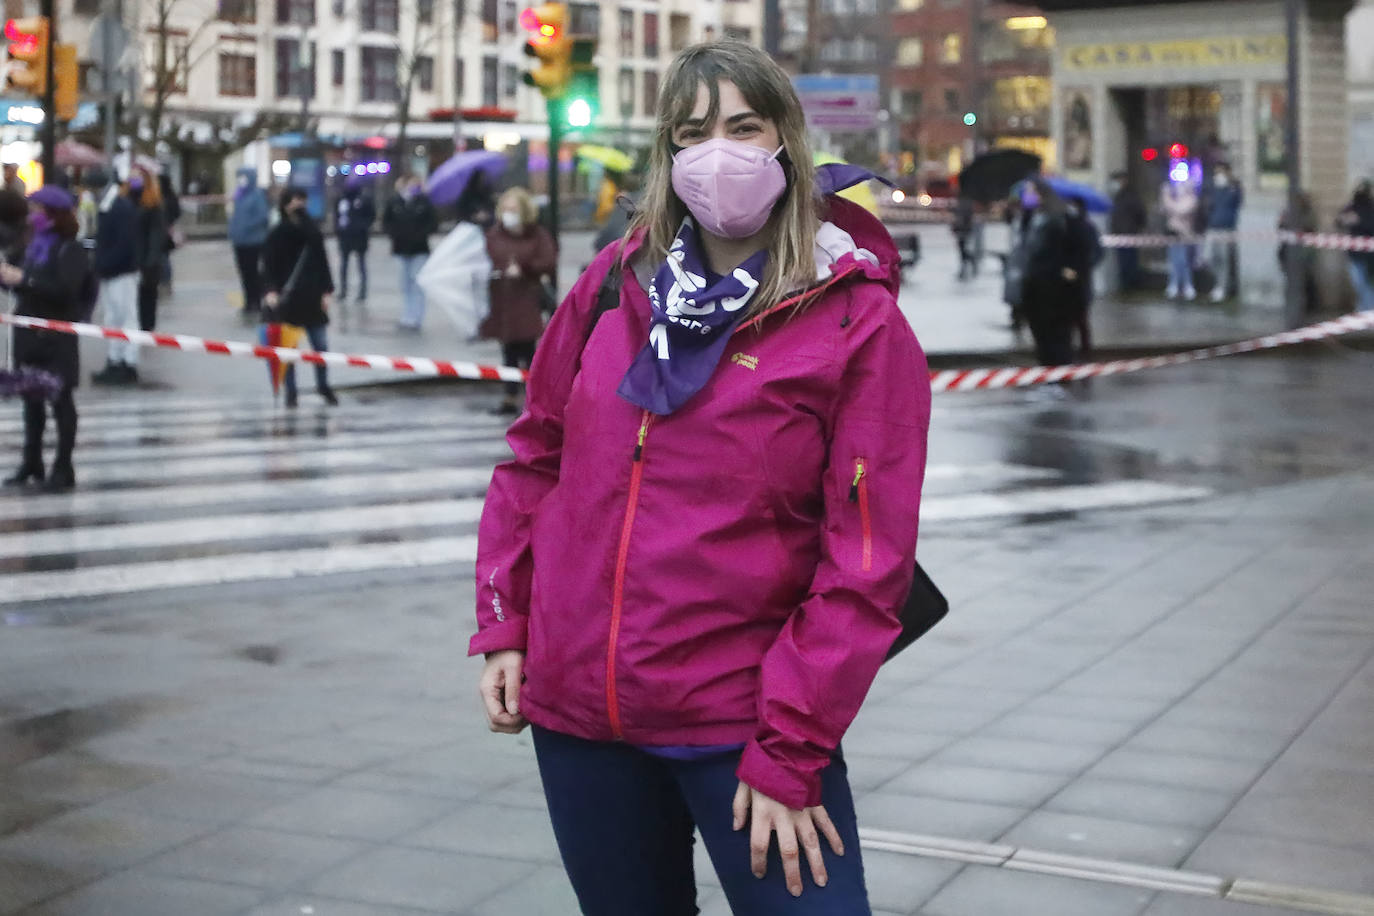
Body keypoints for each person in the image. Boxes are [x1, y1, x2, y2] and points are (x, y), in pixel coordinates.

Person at [471, 40, 930, 914]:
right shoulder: (613, 285)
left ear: (787, 142)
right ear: (668, 157)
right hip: (582, 720)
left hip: (744, 727)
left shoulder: (855, 320)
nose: (718, 153)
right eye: (694, 133)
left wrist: (790, 748)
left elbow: (867, 561)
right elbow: (536, 455)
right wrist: (504, 621)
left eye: (744, 127)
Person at [1, 186, 94, 492]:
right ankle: (32, 461)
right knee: (32, 401)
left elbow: (64, 292)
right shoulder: (32, 246)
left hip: (57, 337)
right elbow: (26, 286)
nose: (32, 216)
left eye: (37, 211)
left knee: (61, 402)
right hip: (29, 333)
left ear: (53, 215)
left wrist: (24, 280)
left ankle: (63, 466)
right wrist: (9, 279)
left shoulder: (71, 249)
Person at [482, 186, 558, 416]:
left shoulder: (537, 234)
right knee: (508, 352)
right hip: (503, 300)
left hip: (527, 300)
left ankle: (535, 399)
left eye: (513, 209)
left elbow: (548, 260)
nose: (508, 213)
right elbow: (485, 257)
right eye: (505, 208)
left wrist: (524, 268)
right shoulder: (495, 234)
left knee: (529, 351)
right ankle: (509, 397)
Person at [262, 188, 339, 408]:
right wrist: (270, 291)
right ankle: (291, 391)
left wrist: (327, 291)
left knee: (320, 346)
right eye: (295, 202)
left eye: (302, 201)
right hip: (289, 299)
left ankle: (324, 386)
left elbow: (323, 262)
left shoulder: (313, 231)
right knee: (289, 348)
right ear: (285, 205)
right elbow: (268, 266)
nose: (299, 206)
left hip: (313, 296)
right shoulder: (277, 233)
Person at [1015, 179, 1079, 367]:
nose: (1027, 196)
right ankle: (1047, 366)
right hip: (1033, 281)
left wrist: (1067, 272)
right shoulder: (1033, 217)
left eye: (1030, 192)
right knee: (1039, 329)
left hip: (1051, 283)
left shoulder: (1055, 219)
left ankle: (1058, 368)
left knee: (1054, 330)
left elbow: (1061, 250)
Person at [91, 175, 143, 385]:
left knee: (126, 317)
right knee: (113, 318)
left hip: (121, 272)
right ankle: (115, 359)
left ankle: (128, 362)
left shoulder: (119, 208)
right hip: (112, 270)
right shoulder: (110, 206)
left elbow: (124, 243)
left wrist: (104, 264)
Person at [382, 175, 438, 333]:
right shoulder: (394, 202)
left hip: (419, 249)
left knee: (417, 282)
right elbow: (387, 222)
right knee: (405, 283)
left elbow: (433, 223)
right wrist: (394, 234)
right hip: (400, 249)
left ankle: (416, 316)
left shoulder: (424, 202)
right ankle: (407, 315)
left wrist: (420, 234)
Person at [228, 167, 271, 323]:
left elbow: (262, 216)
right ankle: (248, 301)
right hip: (240, 242)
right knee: (244, 273)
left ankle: (257, 301)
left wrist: (246, 227)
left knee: (254, 272)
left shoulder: (257, 195)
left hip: (254, 242)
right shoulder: (239, 194)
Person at [1064, 194, 1104, 359]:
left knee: (1080, 315)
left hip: (1080, 277)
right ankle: (1073, 348)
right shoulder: (1065, 226)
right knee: (1070, 316)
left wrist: (1086, 266)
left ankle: (1083, 348)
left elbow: (1097, 251)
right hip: (1068, 277)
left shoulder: (1087, 227)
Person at [129, 166, 168, 332]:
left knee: (147, 297)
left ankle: (147, 328)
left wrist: (150, 261)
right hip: (132, 258)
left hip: (147, 262)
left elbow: (156, 236)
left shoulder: (153, 206)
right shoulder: (128, 201)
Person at [335, 178, 377, 320]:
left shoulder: (364, 200)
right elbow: (337, 216)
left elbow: (371, 215)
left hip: (359, 237)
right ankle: (343, 290)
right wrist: (338, 229)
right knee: (344, 265)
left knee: (361, 264)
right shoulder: (341, 200)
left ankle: (362, 291)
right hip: (345, 236)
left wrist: (362, 226)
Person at [1201, 162, 1243, 302]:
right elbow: (1208, 204)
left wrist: (1231, 187)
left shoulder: (1233, 188)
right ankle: (1218, 283)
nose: (1218, 176)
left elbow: (1237, 203)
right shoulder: (1213, 188)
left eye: (1221, 172)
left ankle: (1222, 287)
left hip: (1226, 228)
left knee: (1224, 258)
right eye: (1216, 173)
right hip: (1213, 227)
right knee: (1210, 258)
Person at [1278, 191, 1318, 316]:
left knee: (1305, 280)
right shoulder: (1287, 213)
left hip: (1303, 252)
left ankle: (1308, 306)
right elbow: (1280, 227)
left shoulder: (1308, 213)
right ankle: (1293, 304)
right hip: (1287, 251)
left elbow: (1309, 229)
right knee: (1290, 280)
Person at [1337, 181, 1374, 313]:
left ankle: (1368, 312)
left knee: (1367, 284)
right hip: (1355, 255)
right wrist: (1346, 219)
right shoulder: (1351, 207)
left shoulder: (1370, 208)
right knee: (1360, 284)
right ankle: (1366, 311)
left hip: (1370, 256)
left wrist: (1359, 220)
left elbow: (1370, 225)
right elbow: (1339, 221)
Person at [1161, 175, 1199, 300]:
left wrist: (1166, 197)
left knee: (1184, 261)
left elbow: (1180, 211)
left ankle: (1188, 286)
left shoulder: (1192, 199)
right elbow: (1166, 210)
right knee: (1173, 261)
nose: (1180, 188)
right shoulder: (1176, 199)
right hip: (1173, 233)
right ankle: (1173, 285)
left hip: (1185, 235)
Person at [1108, 171, 1146, 291]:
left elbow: (1140, 214)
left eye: (1118, 180)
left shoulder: (1130, 196)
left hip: (1129, 234)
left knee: (1129, 261)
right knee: (1122, 262)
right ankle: (1125, 285)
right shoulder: (1117, 197)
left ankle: (1131, 286)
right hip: (1118, 234)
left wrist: (1136, 228)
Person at [951, 196, 982, 280]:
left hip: (964, 230)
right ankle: (966, 266)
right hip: (962, 230)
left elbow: (961, 219)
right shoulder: (963, 204)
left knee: (963, 250)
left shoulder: (965, 204)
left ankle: (968, 265)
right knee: (962, 250)